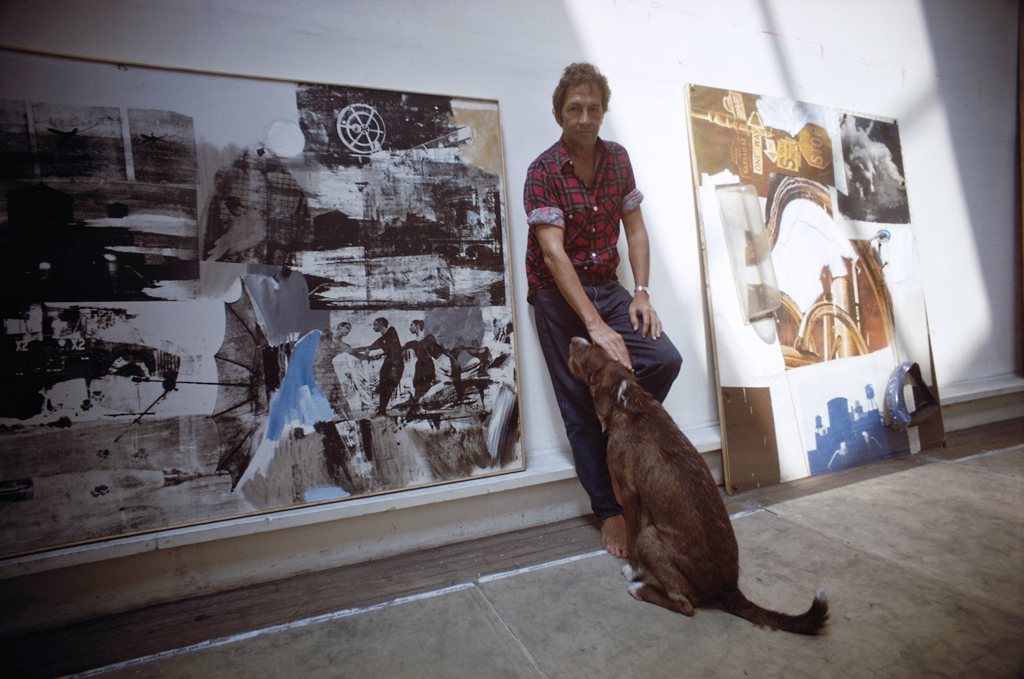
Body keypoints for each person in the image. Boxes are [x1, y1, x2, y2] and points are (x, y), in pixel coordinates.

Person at [523, 62, 682, 558]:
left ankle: (616, 426)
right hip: (556, 291)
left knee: (663, 358)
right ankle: (609, 513)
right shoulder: (543, 170)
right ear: (559, 113)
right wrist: (594, 327)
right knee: (576, 404)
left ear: (603, 111)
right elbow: (553, 253)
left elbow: (634, 228)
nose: (585, 117)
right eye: (575, 108)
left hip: (607, 284)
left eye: (593, 108)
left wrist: (641, 292)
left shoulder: (618, 159)